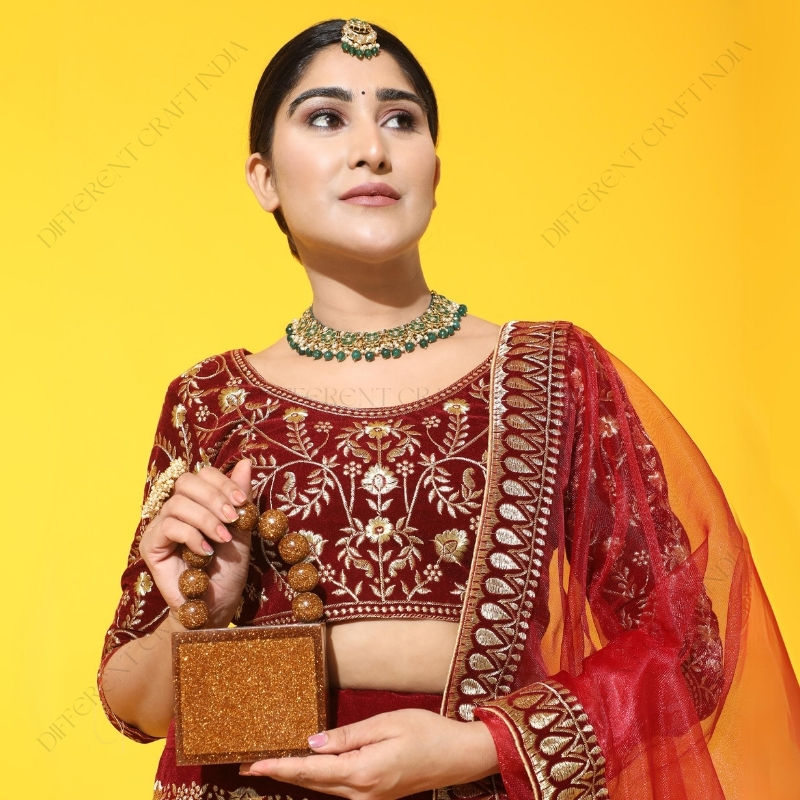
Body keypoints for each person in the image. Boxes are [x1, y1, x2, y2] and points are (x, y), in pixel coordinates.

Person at [97, 17, 800, 800]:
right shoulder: (213, 400)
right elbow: (136, 708)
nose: (372, 148)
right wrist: (200, 612)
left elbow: (687, 649)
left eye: (401, 120)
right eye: (326, 118)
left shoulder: (549, 372)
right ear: (263, 178)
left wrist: (478, 745)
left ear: (435, 169)